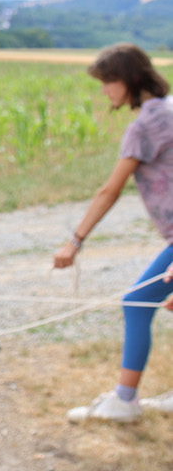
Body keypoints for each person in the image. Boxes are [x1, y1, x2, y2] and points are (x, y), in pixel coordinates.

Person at [53, 43, 173, 423]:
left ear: (130, 79)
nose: (104, 90)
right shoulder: (170, 109)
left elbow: (109, 190)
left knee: (136, 302)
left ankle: (125, 401)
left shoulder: (143, 127)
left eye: (108, 81)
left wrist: (74, 241)